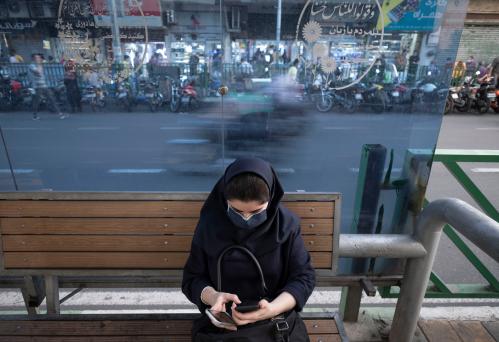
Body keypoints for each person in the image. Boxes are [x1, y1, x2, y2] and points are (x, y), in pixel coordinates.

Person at [182, 157, 315, 340]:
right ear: (224, 200)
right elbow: (192, 278)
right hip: (223, 326)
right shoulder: (209, 225)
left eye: (256, 212)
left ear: (271, 199)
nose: (246, 218)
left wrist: (272, 309)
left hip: (274, 321)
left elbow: (303, 277)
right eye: (236, 211)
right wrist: (213, 297)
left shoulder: (286, 226)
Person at [29, 53, 66, 120]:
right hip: (37, 87)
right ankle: (34, 115)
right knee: (37, 101)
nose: (39, 59)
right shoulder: (32, 66)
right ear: (34, 59)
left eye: (39, 58)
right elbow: (38, 72)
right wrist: (39, 64)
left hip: (44, 85)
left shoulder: (39, 65)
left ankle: (60, 114)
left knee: (52, 99)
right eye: (37, 58)